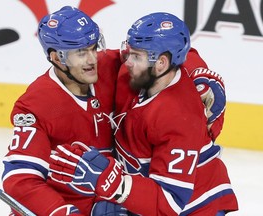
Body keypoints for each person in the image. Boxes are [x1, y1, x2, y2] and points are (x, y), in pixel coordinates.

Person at [49, 12, 238, 215]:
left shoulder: (178, 117)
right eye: (130, 52)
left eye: (136, 56)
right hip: (150, 190)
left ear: (161, 63)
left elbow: (170, 201)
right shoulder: (135, 74)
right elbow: (181, 50)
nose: (127, 61)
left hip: (197, 205)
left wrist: (112, 182)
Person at [1, 6, 122, 215]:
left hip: (105, 201)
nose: (92, 59)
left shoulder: (109, 66)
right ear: (57, 58)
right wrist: (60, 211)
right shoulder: (35, 104)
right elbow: (20, 179)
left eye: (93, 47)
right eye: (81, 52)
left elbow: (165, 54)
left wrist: (199, 79)